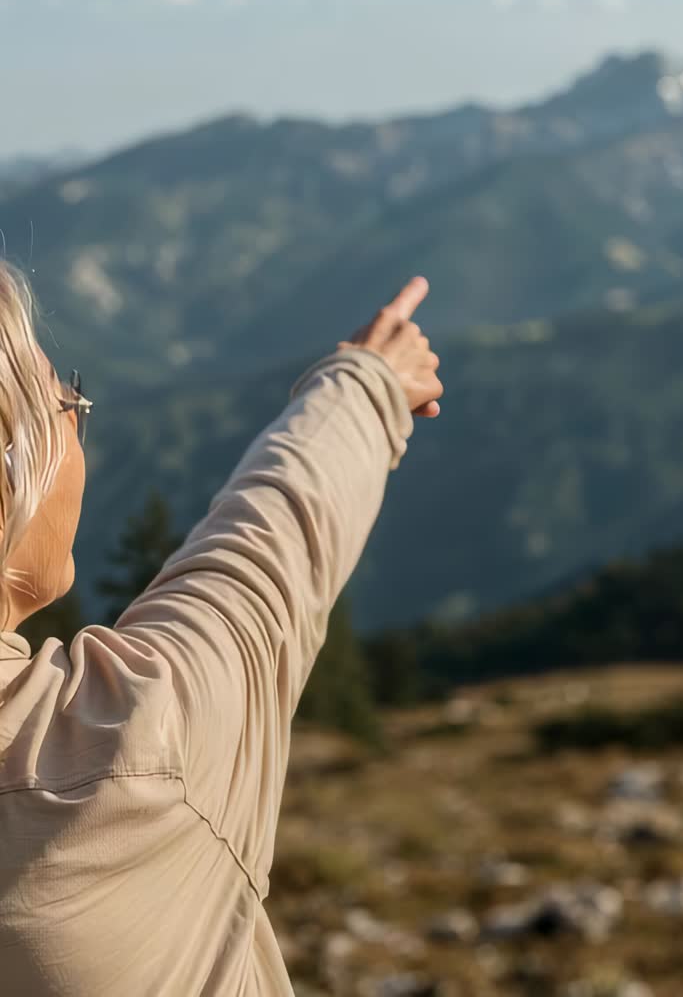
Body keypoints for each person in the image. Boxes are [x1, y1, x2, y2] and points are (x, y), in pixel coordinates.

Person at [0, 259, 444, 996]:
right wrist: (368, 385)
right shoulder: (117, 757)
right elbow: (259, 562)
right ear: (12, 468)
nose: (77, 424)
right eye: (65, 404)